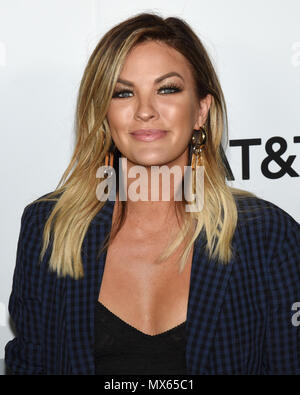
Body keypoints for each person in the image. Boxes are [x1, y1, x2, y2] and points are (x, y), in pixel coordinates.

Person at [5, 12, 300, 375]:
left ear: (201, 111)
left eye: (167, 89)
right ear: (103, 113)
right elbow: (30, 366)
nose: (145, 111)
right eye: (123, 92)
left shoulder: (268, 236)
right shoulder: (50, 228)